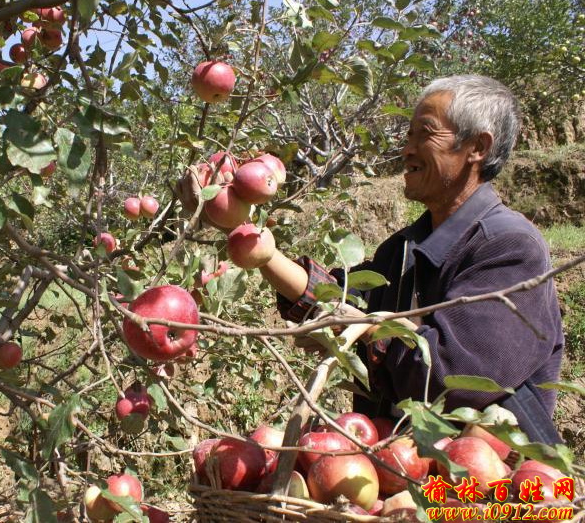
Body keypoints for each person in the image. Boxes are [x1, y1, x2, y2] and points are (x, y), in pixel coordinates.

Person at [178, 75, 565, 443]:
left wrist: (367, 328)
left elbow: (454, 380)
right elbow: (330, 301)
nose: (407, 149)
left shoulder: (509, 248)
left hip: (482, 492)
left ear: (477, 148)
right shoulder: (404, 250)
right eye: (409, 135)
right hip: (396, 479)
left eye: (425, 133)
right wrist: (238, 224)